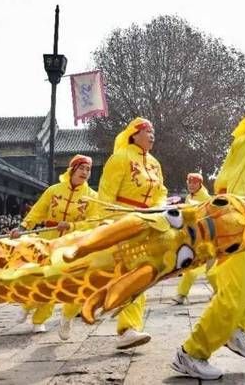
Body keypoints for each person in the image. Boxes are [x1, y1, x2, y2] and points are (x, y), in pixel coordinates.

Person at [171, 101, 245, 380]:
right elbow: (236, 183)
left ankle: (235, 328)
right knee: (233, 295)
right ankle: (191, 353)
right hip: (243, 227)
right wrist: (236, 221)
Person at [95, 117, 168, 349]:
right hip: (124, 221)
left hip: (148, 222)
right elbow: (106, 194)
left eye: (153, 131)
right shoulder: (119, 158)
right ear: (133, 134)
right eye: (147, 130)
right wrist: (108, 223)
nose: (152, 134)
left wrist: (160, 207)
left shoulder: (155, 163)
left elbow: (161, 191)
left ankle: (129, 327)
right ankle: (127, 328)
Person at [10, 154, 99, 337]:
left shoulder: (92, 197)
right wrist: (23, 227)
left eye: (88, 169)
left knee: (61, 283)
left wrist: (73, 225)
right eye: (81, 168)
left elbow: (94, 222)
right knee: (43, 277)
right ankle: (27, 305)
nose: (85, 172)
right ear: (72, 169)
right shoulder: (53, 190)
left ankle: (42, 319)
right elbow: (37, 211)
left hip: (74, 244)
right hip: (50, 240)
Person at [173, 173, 214, 305]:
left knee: (210, 271)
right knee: (195, 269)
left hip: (208, 240)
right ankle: (181, 294)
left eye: (194, 183)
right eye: (189, 182)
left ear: (200, 184)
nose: (191, 185)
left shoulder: (205, 198)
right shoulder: (189, 197)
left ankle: (220, 292)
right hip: (196, 239)